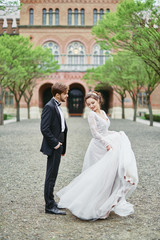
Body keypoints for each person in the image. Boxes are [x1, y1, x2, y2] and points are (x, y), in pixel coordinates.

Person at [57, 91, 138, 220]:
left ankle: (106, 203)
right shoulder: (91, 115)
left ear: (99, 101)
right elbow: (95, 133)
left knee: (111, 175)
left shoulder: (104, 113)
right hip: (98, 147)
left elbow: (105, 130)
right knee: (99, 176)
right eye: (88, 104)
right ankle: (91, 204)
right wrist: (107, 143)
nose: (91, 106)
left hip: (107, 144)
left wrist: (115, 135)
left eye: (93, 103)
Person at [40, 82, 68, 215]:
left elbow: (62, 127)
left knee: (53, 175)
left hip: (59, 146)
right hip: (54, 146)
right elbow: (44, 128)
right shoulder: (49, 106)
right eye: (65, 93)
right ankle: (49, 206)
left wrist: (63, 147)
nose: (67, 96)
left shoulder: (57, 106)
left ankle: (52, 202)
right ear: (58, 94)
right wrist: (56, 144)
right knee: (50, 176)